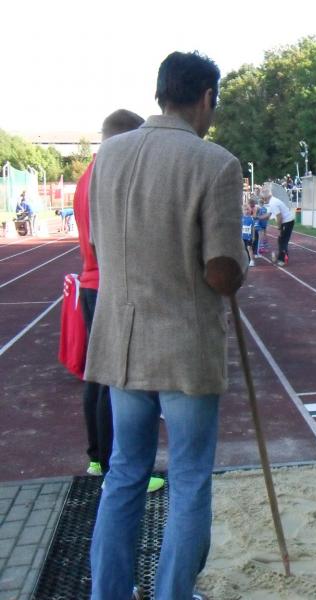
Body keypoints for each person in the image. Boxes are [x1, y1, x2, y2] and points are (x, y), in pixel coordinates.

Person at [86, 51, 247, 600]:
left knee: (124, 473)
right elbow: (221, 272)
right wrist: (241, 263)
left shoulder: (108, 155)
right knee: (189, 478)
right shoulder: (216, 163)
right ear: (206, 97)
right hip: (185, 349)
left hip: (121, 343)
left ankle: (109, 592)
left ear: (161, 92)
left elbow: (97, 244)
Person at [73, 109, 165, 498]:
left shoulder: (88, 174)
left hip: (94, 282)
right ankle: (115, 467)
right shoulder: (107, 174)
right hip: (108, 283)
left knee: (98, 377)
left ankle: (99, 457)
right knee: (116, 379)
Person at [262, 187, 295, 266]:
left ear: (266, 197)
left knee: (282, 241)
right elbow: (268, 214)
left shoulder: (273, 203)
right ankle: (283, 256)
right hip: (287, 221)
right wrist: (257, 217)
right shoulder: (272, 201)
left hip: (287, 222)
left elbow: (279, 217)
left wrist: (279, 227)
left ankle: (282, 259)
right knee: (281, 240)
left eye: (262, 197)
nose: (262, 199)